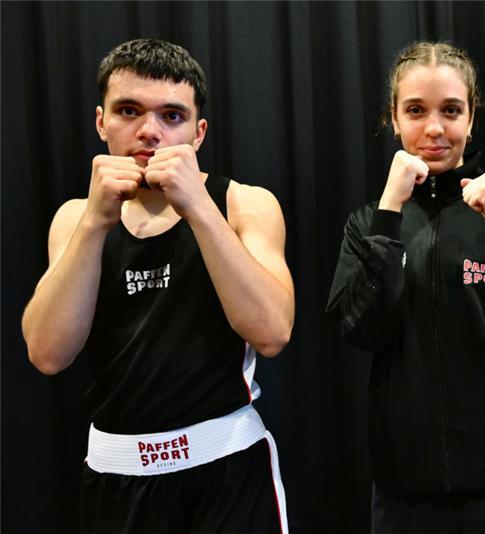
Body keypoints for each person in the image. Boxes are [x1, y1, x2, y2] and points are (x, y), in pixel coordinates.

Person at [21, 38, 294, 533]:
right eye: (129, 111)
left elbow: (273, 333)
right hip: (116, 478)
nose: (150, 132)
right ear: (102, 121)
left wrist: (198, 208)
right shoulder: (74, 220)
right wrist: (94, 224)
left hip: (228, 474)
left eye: (172, 116)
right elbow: (46, 353)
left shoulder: (243, 205)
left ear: (198, 133)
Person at [326, 41, 485, 533]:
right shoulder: (367, 222)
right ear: (393, 119)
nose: (434, 128)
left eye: (451, 110)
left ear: (472, 117)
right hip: (404, 497)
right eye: (415, 111)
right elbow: (359, 330)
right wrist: (389, 214)